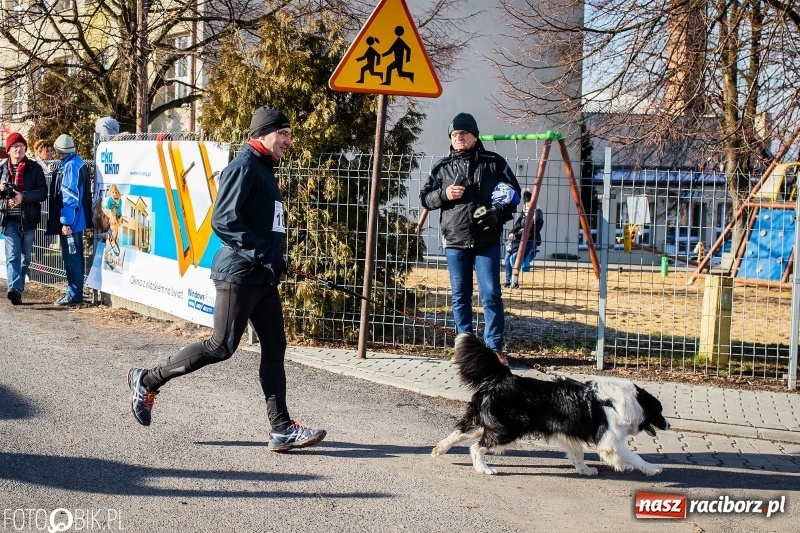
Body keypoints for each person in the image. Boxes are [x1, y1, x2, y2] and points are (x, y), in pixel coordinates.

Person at [127, 106, 327, 453]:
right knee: (221, 346)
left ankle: (281, 429)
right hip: (238, 275)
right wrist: (264, 253)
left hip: (261, 276)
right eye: (282, 133)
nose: (288, 141)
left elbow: (260, 223)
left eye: (289, 134)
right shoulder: (244, 166)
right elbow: (224, 221)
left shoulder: (264, 168)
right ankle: (147, 380)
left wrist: (276, 256)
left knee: (275, 348)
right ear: (261, 134)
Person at [420, 112, 521, 358]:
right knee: (460, 297)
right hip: (454, 241)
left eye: (463, 133)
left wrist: (497, 214)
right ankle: (465, 351)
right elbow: (424, 198)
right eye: (454, 134)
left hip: (487, 241)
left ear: (475, 136)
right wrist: (444, 195)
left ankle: (494, 350)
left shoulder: (494, 162)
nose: (459, 137)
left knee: (491, 295)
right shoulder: (442, 167)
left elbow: (514, 194)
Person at [0, 132, 47, 305]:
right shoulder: (1, 169)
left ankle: (17, 290)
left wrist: (23, 197)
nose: (18, 149)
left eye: (21, 146)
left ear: (25, 148)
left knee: (24, 258)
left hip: (28, 220)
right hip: (8, 220)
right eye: (14, 146)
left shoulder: (34, 168)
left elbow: (42, 192)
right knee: (13, 255)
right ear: (8, 150)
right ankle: (14, 289)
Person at [46, 133, 92, 306]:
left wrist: (66, 222)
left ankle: (73, 295)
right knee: (76, 257)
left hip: (72, 222)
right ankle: (75, 293)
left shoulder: (70, 166)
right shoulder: (78, 162)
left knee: (71, 258)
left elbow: (69, 196)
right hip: (78, 220)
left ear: (59, 151)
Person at [504, 189, 544, 289]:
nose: (527, 206)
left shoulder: (537, 215)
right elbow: (517, 225)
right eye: (526, 204)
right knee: (507, 258)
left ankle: (514, 281)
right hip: (518, 241)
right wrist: (512, 233)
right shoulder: (524, 213)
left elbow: (530, 230)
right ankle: (508, 281)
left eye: (529, 204)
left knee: (514, 258)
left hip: (529, 241)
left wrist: (516, 235)